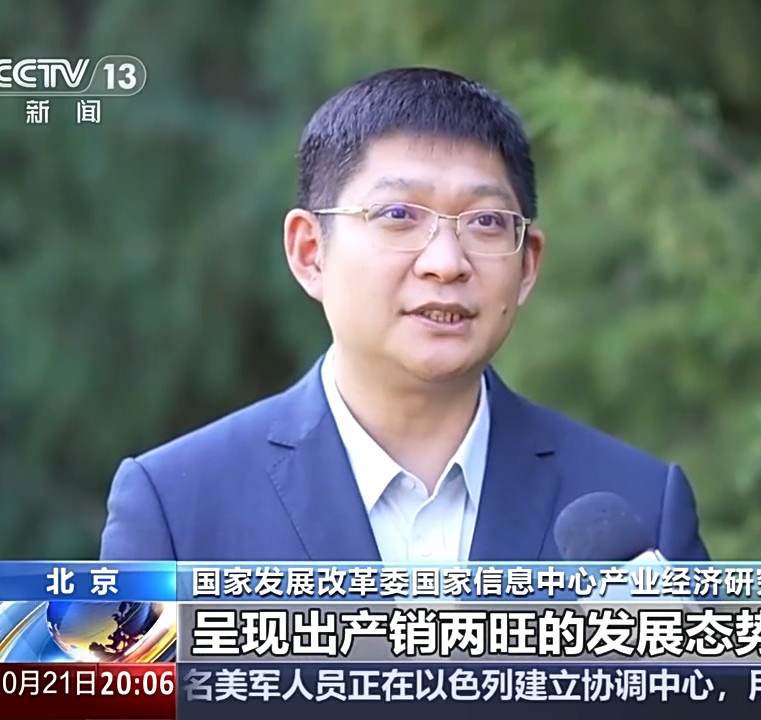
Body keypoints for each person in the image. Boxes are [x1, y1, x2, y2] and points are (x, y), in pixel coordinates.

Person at [99, 67, 709, 563]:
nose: (446, 263)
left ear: (527, 265)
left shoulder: (639, 508)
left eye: (486, 221)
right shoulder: (174, 505)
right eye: (398, 216)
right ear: (310, 252)